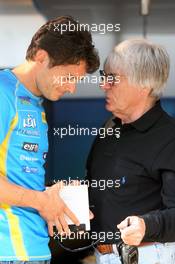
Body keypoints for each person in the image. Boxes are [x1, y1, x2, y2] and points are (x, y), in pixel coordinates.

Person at [0, 16, 99, 263]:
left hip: (34, 249)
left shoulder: (36, 104)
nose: (72, 88)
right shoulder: (3, 95)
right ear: (42, 57)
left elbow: (16, 179)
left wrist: (58, 200)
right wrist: (42, 201)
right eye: (68, 77)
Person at [87, 39, 175, 264]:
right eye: (103, 76)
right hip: (101, 255)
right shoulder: (110, 127)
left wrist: (146, 226)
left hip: (147, 256)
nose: (103, 85)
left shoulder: (170, 137)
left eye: (112, 79)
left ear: (143, 86)